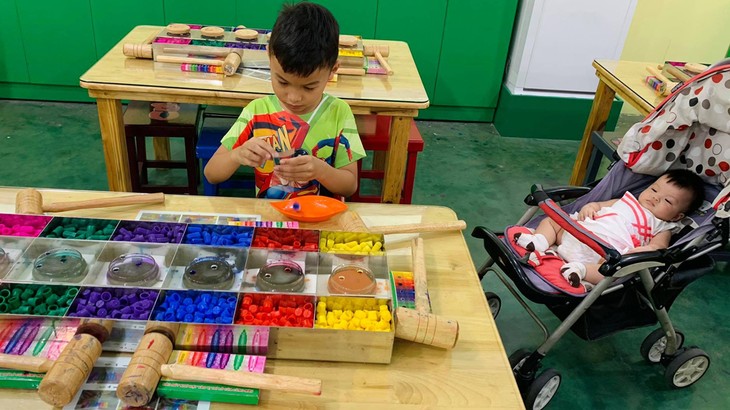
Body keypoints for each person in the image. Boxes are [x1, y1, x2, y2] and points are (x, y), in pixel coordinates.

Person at [204, 2, 365, 199]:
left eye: (309, 87)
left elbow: (349, 186)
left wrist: (320, 170)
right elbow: (211, 173)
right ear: (270, 58)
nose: (294, 97)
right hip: (270, 223)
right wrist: (237, 155)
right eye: (282, 82)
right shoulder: (257, 111)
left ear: (333, 70)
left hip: (319, 220)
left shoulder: (339, 112)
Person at [515, 169, 705, 289]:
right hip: (577, 233)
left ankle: (580, 271)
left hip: (604, 254)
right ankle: (539, 241)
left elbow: (659, 248)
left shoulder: (663, 226)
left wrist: (644, 251)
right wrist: (591, 207)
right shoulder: (626, 200)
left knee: (611, 270)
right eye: (654, 190)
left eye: (668, 201)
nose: (655, 198)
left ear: (677, 216)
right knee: (553, 221)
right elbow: (598, 205)